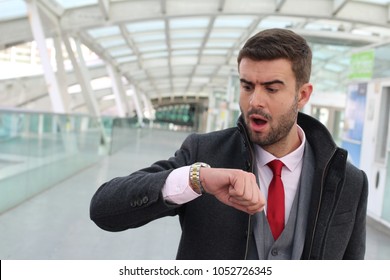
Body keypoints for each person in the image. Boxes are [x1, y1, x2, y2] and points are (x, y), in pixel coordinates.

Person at [90, 28, 368, 260]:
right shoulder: (204, 154)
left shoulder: (348, 182)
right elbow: (104, 209)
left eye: (271, 88)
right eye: (247, 86)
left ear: (303, 94)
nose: (255, 101)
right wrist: (196, 179)